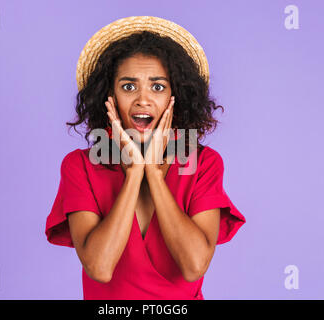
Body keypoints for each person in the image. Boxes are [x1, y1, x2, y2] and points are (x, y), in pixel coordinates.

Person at [45, 16, 246, 300]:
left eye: (158, 86)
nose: (143, 99)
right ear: (108, 96)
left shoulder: (203, 163)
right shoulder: (80, 165)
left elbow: (194, 266)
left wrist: (153, 172)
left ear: (176, 96)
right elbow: (99, 267)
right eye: (128, 86)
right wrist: (134, 174)